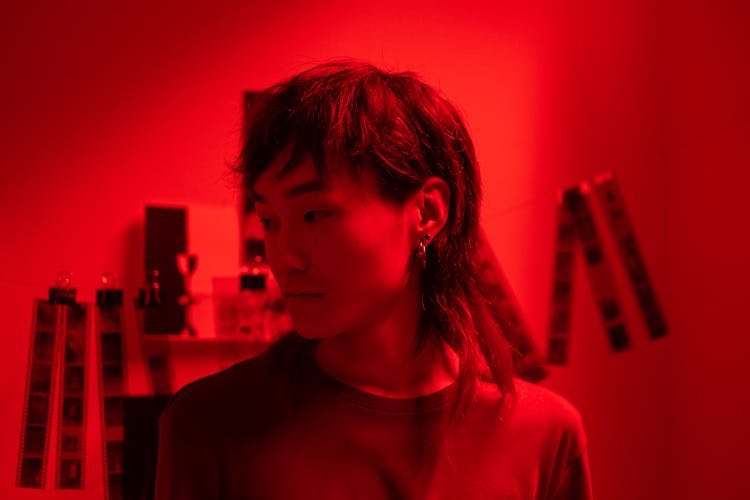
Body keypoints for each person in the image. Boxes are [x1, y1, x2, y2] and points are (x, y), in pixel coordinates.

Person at [155, 60, 593, 499]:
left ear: (428, 212)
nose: (284, 257)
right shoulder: (210, 424)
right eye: (269, 221)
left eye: (314, 215)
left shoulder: (543, 436)